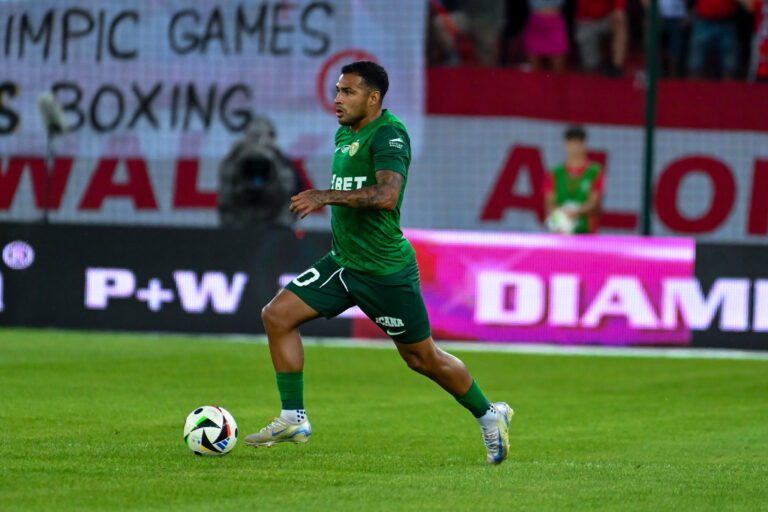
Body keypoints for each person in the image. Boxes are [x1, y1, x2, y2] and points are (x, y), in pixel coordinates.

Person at [244, 61, 513, 464]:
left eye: (348, 92)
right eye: (337, 90)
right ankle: (292, 417)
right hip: (344, 263)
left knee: (423, 358)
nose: (337, 99)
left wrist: (325, 196)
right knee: (277, 316)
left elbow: (387, 195)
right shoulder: (344, 133)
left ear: (373, 97)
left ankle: (490, 415)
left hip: (385, 271)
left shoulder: (389, 134)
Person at [543, 125, 604, 234]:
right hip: (561, 235)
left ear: (584, 144)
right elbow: (549, 205)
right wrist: (562, 218)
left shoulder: (595, 171)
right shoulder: (555, 173)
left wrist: (575, 211)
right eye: (571, 143)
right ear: (565, 145)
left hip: (587, 235)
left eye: (578, 143)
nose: (574, 147)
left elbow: (595, 204)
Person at [687, 0, 754, 79]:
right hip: (704, 21)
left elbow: (751, 6)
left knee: (730, 67)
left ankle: (730, 91)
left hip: (727, 22)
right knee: (695, 65)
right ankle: (693, 90)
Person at [431, 0, 506, 66]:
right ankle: (453, 60)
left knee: (487, 63)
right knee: (440, 23)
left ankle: (487, 78)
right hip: (469, 18)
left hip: (489, 22)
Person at [574, 0, 628, 76]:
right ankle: (600, 64)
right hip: (586, 20)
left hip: (607, 16)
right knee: (590, 67)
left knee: (620, 22)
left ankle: (617, 67)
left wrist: (619, 8)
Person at [641, 0, 690, 78]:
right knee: (651, 45)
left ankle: (674, 79)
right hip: (654, 13)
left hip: (677, 14)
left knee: (676, 47)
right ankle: (654, 76)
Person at [524, 0, 570, 73]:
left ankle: (557, 84)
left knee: (558, 68)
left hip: (555, 22)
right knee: (534, 68)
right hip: (536, 23)